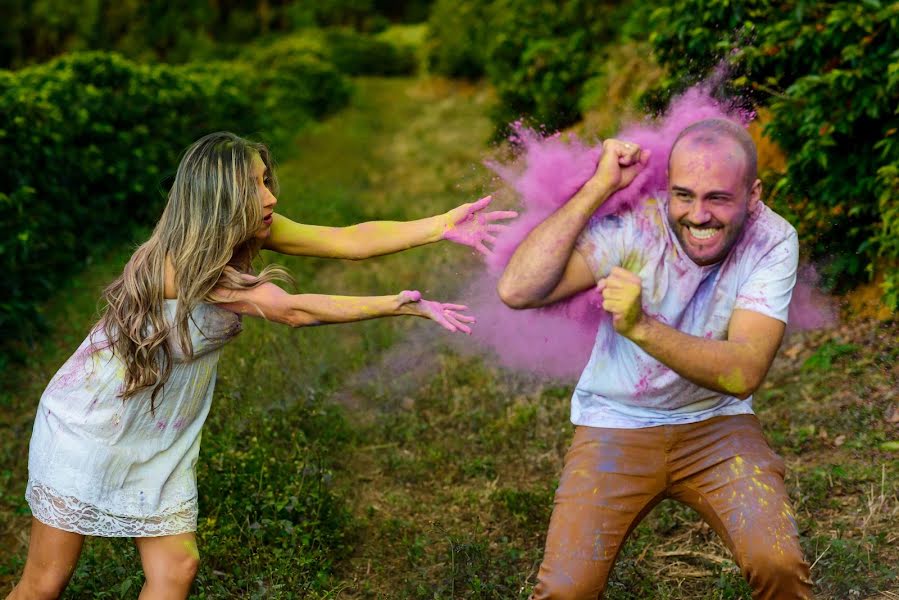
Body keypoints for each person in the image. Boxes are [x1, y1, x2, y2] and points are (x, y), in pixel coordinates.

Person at [7, 131, 515, 600]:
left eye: (265, 180)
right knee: (45, 583)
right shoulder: (180, 265)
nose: (270, 196)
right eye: (252, 187)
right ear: (216, 199)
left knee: (176, 571)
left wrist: (441, 225)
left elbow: (349, 239)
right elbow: (289, 310)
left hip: (158, 429)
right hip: (92, 422)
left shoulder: (252, 229)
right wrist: (396, 304)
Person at [497, 118, 813, 599]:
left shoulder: (772, 239)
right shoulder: (638, 222)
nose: (698, 215)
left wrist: (641, 326)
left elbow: (744, 372)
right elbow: (518, 290)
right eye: (683, 195)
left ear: (753, 195)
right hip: (615, 421)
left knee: (779, 564)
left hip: (716, 423)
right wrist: (599, 187)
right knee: (565, 590)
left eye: (718, 199)